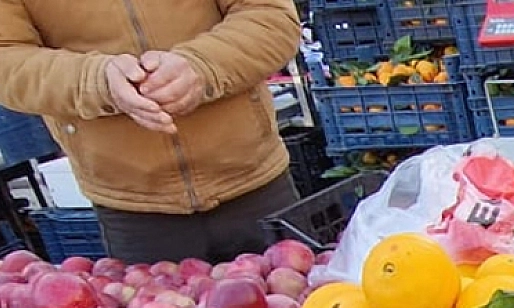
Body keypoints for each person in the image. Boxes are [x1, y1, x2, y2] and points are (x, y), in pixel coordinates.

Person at [0, 1, 305, 264]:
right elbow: (7, 57)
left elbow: (270, 15)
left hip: (254, 177)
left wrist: (202, 66)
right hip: (132, 204)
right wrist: (95, 81)